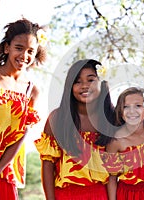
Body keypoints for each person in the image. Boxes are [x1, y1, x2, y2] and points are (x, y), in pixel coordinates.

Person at [0, 18, 47, 200]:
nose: (25, 56)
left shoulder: (32, 90)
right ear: (7, 47)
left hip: (2, 172)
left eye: (31, 51)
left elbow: (22, 135)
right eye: (19, 48)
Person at [34, 59, 115, 200]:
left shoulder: (111, 119)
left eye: (91, 80)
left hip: (100, 194)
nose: (84, 86)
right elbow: (48, 165)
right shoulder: (58, 118)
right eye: (77, 81)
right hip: (65, 195)